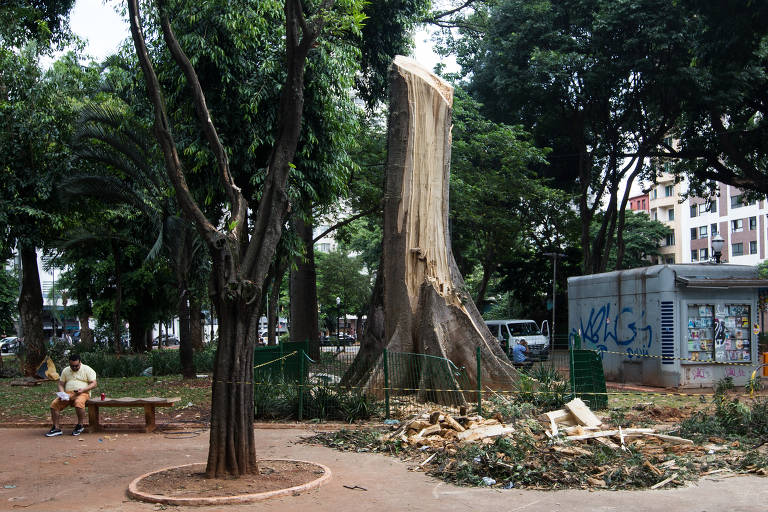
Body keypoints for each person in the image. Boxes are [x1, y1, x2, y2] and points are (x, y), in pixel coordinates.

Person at [45, 354, 97, 437]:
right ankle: (56, 428)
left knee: (78, 402)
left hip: (83, 393)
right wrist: (62, 394)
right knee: (54, 404)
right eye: (72, 366)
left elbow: (94, 384)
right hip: (68, 394)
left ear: (80, 362)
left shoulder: (87, 369)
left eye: (76, 366)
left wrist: (83, 390)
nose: (74, 368)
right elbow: (61, 384)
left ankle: (80, 425)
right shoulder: (66, 370)